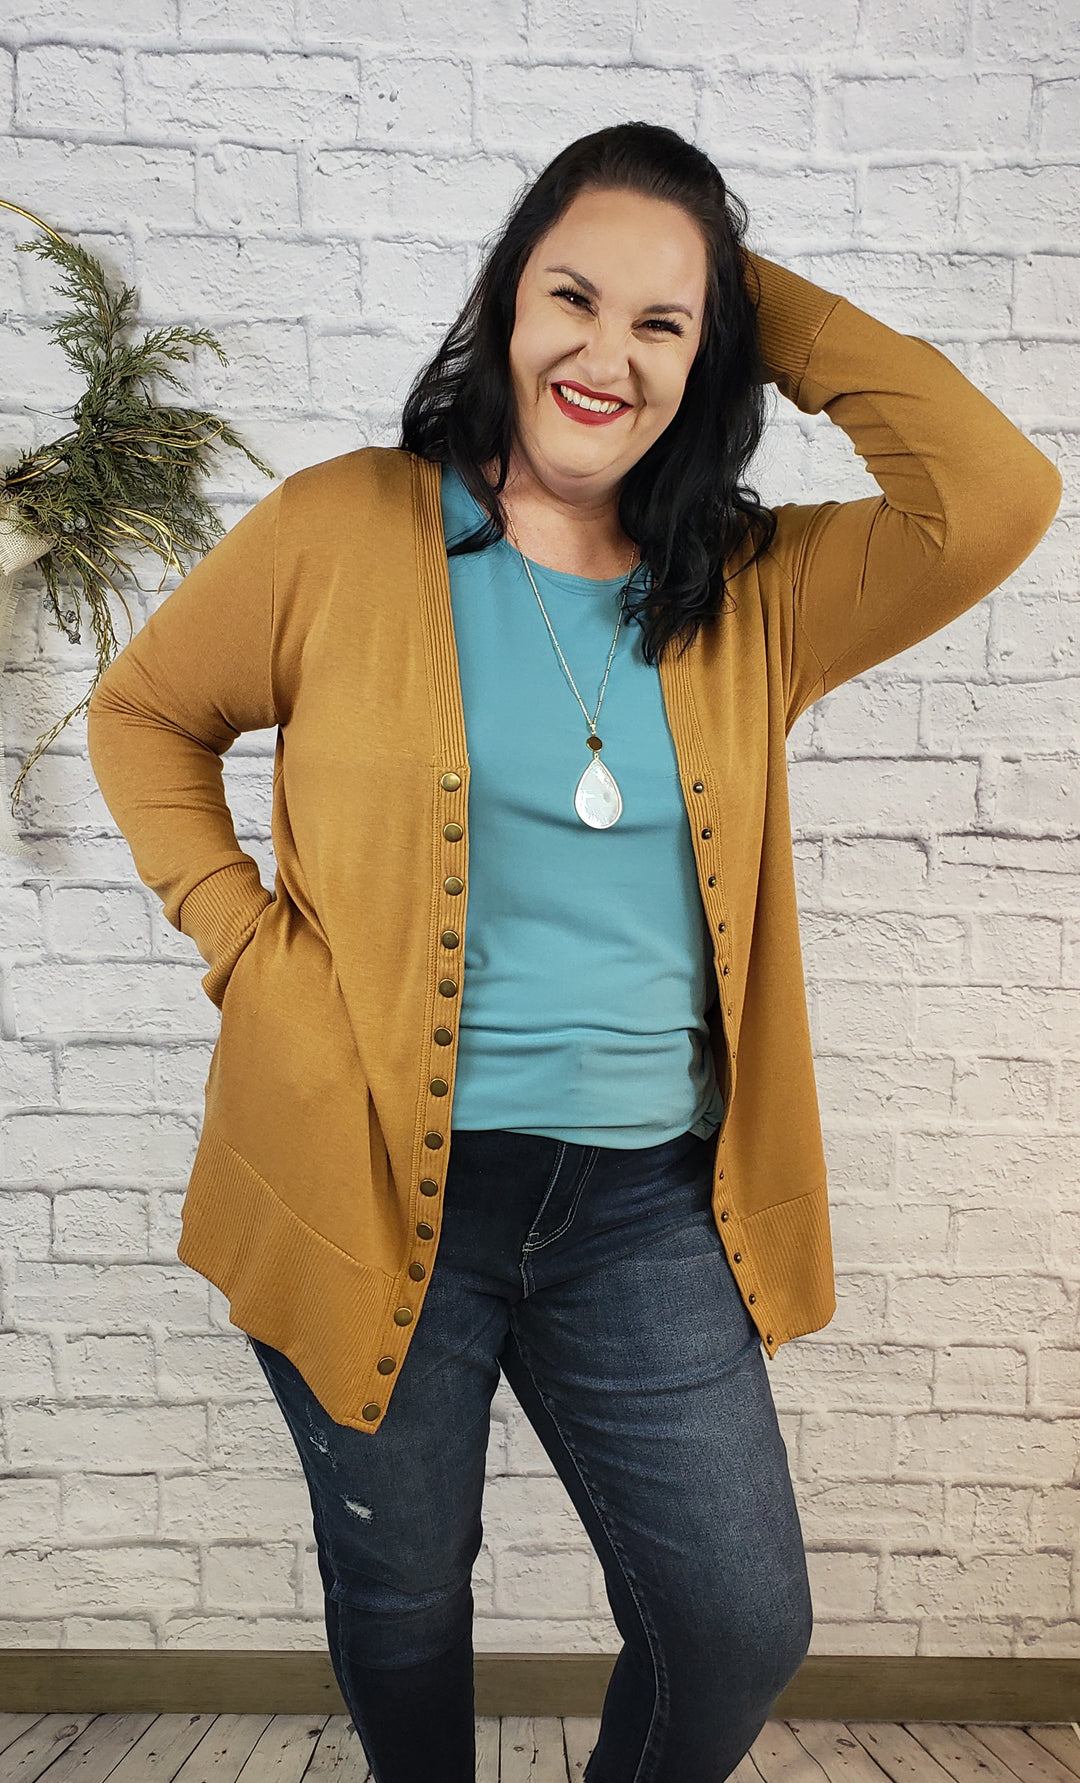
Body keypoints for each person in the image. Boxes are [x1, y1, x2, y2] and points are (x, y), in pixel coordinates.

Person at [86, 123, 1061, 1782]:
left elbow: (995, 493)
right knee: (401, 1601)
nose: (606, 353)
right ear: (506, 304)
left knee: (738, 1623)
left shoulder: (749, 588)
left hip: (643, 1210)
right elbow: (145, 715)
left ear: (710, 354)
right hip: (368, 1169)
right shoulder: (340, 529)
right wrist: (246, 946)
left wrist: (753, 296)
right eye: (575, 297)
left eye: (663, 324)